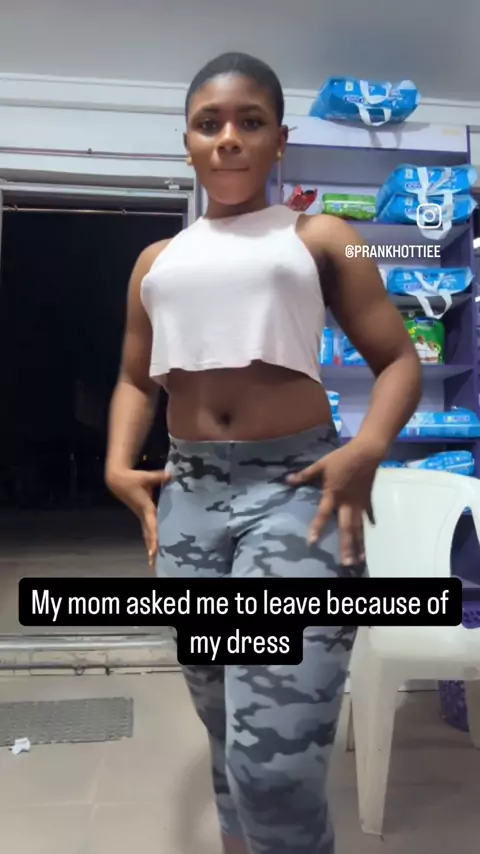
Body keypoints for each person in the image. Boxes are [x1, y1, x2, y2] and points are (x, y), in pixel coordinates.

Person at [105, 52, 422, 854]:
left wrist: (369, 447)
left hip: (296, 492)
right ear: (187, 142)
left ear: (279, 139)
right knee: (224, 730)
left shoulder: (326, 238)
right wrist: (116, 463)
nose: (229, 138)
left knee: (273, 764)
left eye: (250, 122)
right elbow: (136, 379)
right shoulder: (156, 262)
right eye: (208, 124)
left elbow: (399, 359)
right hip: (190, 499)